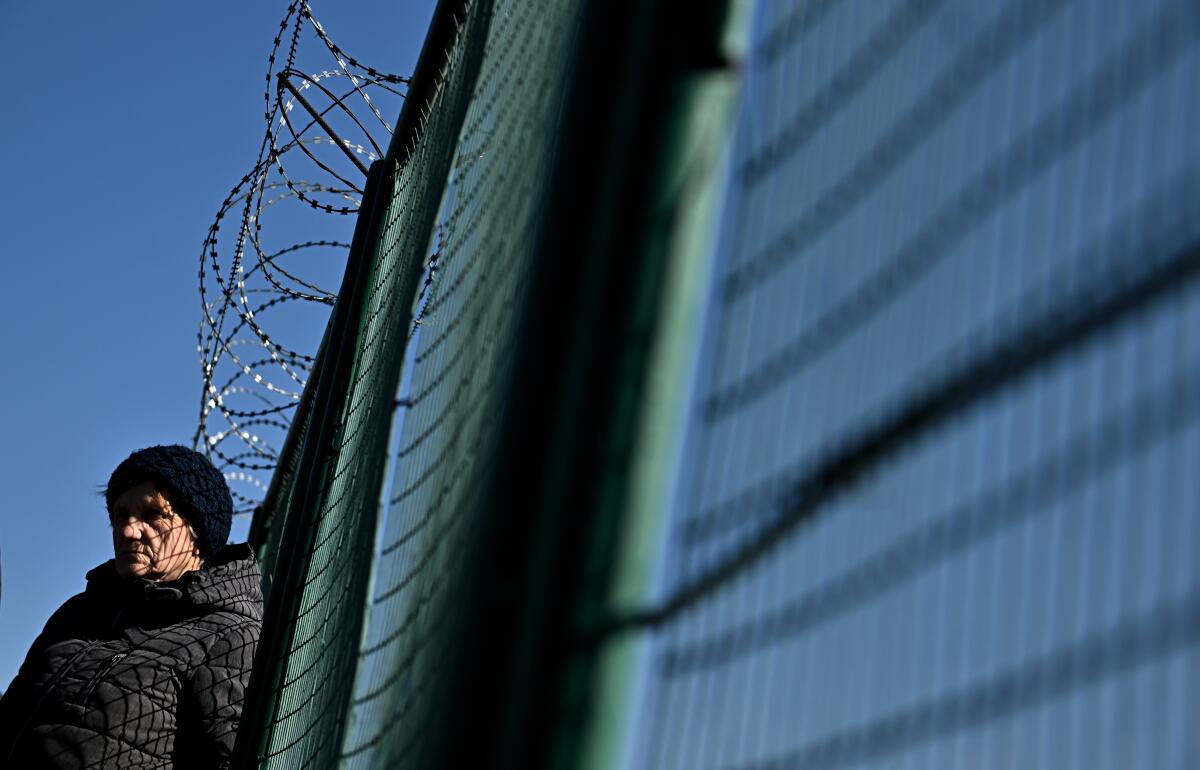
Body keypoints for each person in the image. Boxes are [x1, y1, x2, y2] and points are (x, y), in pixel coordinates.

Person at [0, 445, 263, 769]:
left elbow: (225, 758)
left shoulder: (229, 634)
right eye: (120, 515)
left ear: (197, 533)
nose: (128, 530)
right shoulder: (79, 613)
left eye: (152, 513)